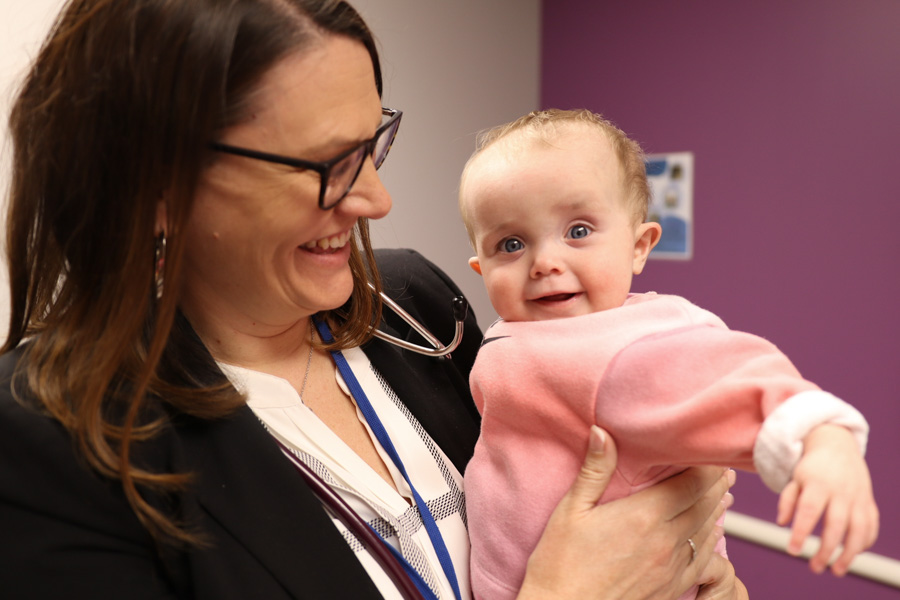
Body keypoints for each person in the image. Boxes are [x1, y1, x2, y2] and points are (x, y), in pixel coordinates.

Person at [0, 1, 741, 598]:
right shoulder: (46, 442)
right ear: (155, 185)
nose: (376, 199)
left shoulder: (416, 304)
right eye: (330, 165)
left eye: (372, 147)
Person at [458, 109, 879, 600]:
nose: (545, 263)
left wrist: (821, 438)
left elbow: (731, 375)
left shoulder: (628, 345)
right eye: (511, 244)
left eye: (578, 231)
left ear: (640, 246)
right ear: (480, 268)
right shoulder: (523, 334)